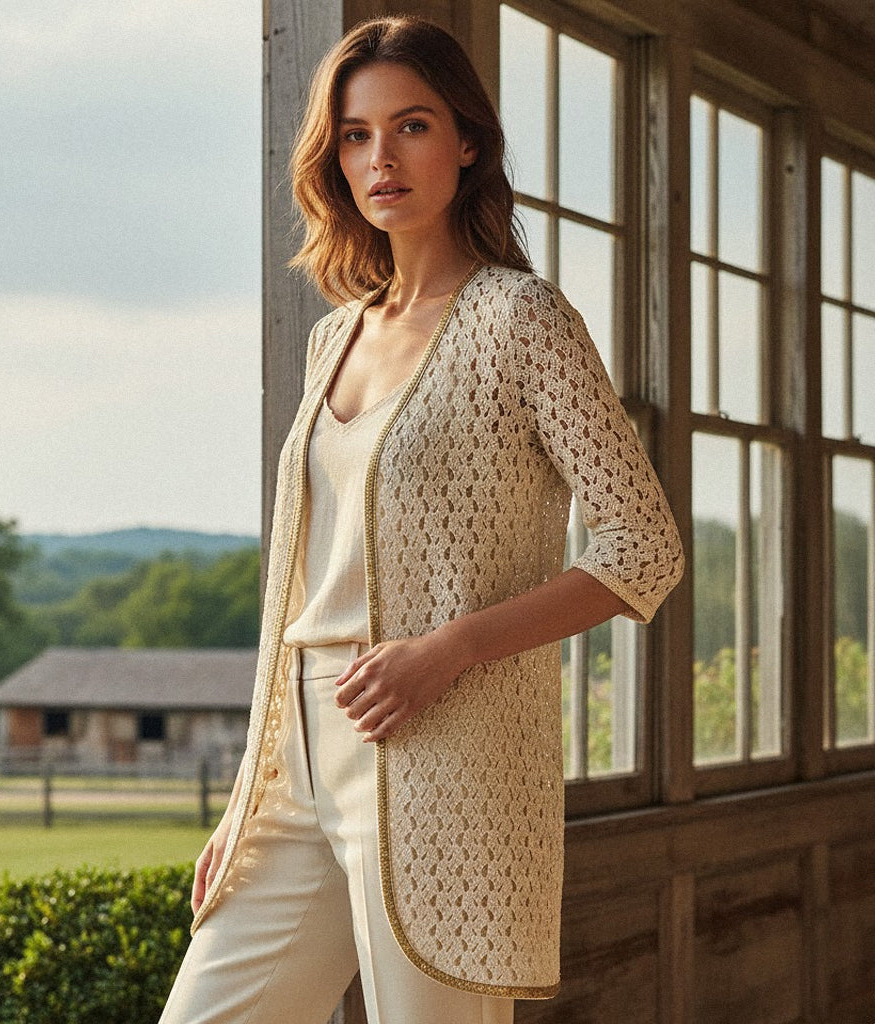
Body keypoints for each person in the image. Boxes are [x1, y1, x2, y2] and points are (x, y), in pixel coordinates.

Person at [158, 15, 683, 1024]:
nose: (379, 157)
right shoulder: (333, 339)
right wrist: (246, 796)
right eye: (354, 135)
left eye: (410, 126)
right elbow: (298, 582)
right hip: (298, 751)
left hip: (445, 742)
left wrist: (446, 649)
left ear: (467, 142)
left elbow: (640, 547)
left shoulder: (520, 320)